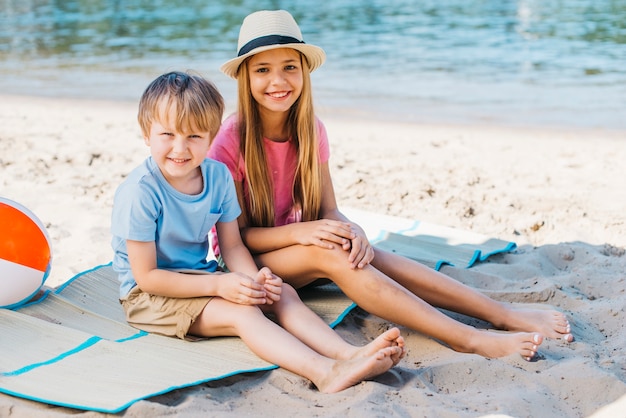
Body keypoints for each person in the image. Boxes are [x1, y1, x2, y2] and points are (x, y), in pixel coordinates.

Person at [208, 10, 574, 362]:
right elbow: (237, 240)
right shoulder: (230, 141)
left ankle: (501, 312)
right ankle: (467, 339)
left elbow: (328, 209)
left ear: (304, 71)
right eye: (263, 70)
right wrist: (309, 232)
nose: (278, 81)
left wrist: (354, 231)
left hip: (297, 245)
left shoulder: (310, 128)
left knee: (363, 252)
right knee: (330, 252)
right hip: (247, 264)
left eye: (289, 67)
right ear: (244, 78)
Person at [110, 71, 405, 394]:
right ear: (146, 134)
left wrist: (255, 281)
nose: (180, 148)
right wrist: (220, 285)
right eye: (167, 134)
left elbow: (233, 246)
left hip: (198, 275)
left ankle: (348, 354)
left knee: (282, 294)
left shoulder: (217, 176)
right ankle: (325, 372)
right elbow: (147, 277)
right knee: (244, 314)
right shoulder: (140, 192)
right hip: (150, 296)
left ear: (212, 137)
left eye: (194, 136)